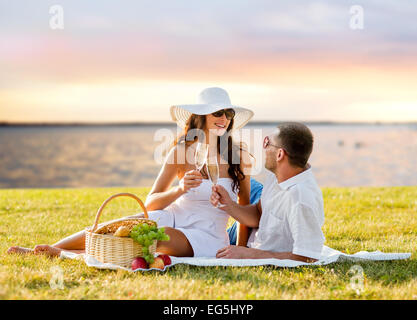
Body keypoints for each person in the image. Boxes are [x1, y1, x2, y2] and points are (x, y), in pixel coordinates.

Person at [7, 87, 254, 258]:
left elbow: (245, 211)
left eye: (228, 114)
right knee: (118, 226)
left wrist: (241, 251)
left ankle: (68, 254)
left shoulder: (238, 158)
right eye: (218, 113)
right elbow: (152, 202)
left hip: (206, 235)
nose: (224, 119)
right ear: (201, 117)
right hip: (170, 218)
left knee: (155, 237)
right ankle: (50, 249)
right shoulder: (181, 153)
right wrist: (180, 189)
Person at [211, 122, 325, 263]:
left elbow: (307, 256)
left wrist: (249, 254)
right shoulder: (277, 175)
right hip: (255, 235)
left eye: (267, 143)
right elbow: (259, 213)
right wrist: (228, 204)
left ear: (279, 154)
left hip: (255, 245)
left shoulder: (300, 199)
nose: (263, 147)